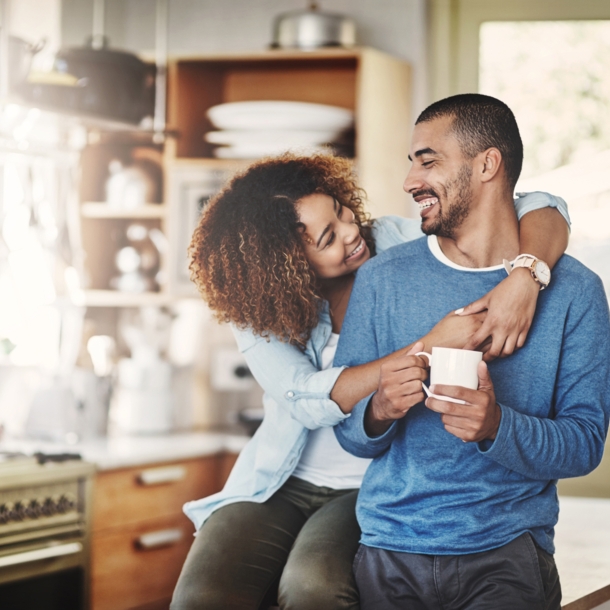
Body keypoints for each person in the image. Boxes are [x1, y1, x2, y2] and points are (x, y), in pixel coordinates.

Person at [170, 152, 571, 610]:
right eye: (327, 238)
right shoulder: (258, 308)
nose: (350, 233)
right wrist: (428, 344)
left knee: (313, 587)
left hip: (373, 480)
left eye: (341, 212)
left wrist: (526, 275)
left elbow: (544, 205)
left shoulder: (397, 240)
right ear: (286, 267)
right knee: (201, 597)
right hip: (279, 480)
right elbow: (305, 396)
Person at [333, 94, 610, 610]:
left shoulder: (575, 291)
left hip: (508, 556)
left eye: (428, 160)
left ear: (487, 164)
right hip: (390, 551)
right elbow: (350, 435)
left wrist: (495, 426)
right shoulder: (381, 279)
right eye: (412, 162)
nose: (410, 181)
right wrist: (379, 409)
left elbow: (585, 444)